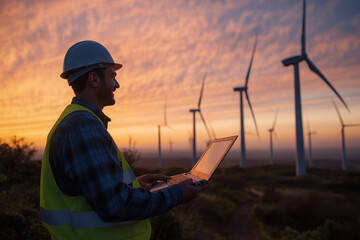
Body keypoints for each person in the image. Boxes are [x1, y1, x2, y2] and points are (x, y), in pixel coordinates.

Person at [40, 40, 207, 240]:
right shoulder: (82, 126)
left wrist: (133, 185)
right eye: (113, 76)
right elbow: (116, 206)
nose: (117, 85)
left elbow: (93, 191)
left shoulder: (77, 121)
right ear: (94, 79)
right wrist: (177, 194)